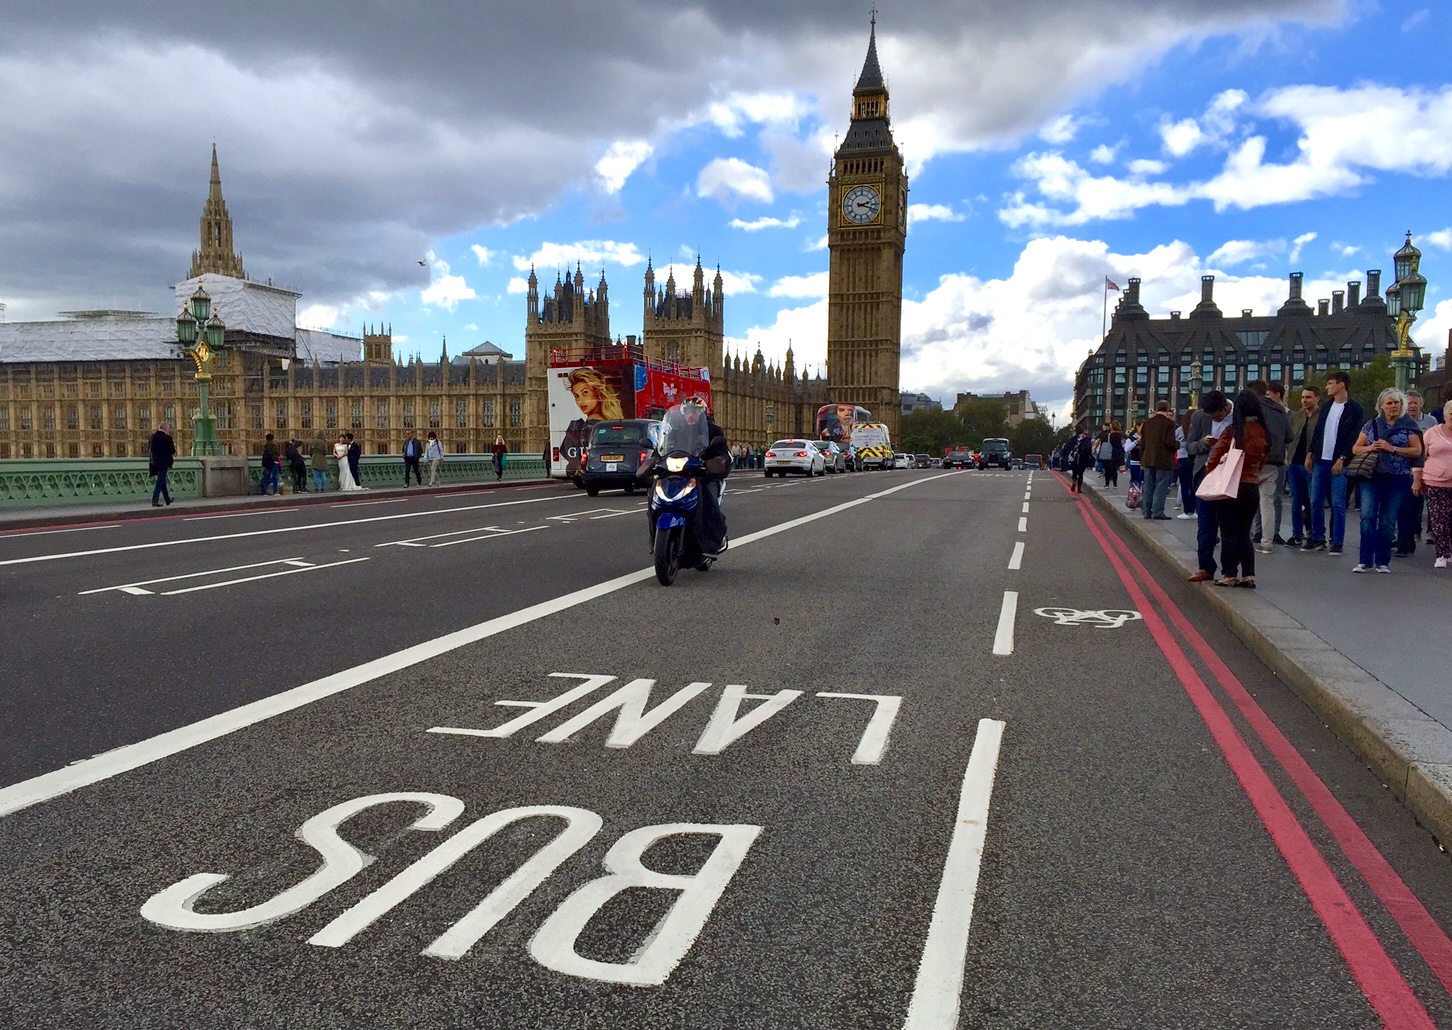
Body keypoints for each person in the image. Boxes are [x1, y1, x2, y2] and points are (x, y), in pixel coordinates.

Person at [1350, 388, 1423, 573]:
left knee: (1387, 521)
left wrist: (1393, 449)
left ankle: (1382, 561)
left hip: (1397, 477)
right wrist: (1370, 448)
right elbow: (1356, 448)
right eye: (1389, 403)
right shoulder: (1371, 424)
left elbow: (1417, 450)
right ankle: (1364, 560)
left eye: (1396, 403)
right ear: (1381, 405)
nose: (1393, 406)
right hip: (1372, 476)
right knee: (1367, 516)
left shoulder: (1409, 425)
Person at [1206, 390, 1269, 588]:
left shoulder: (1233, 431)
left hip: (1231, 487)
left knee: (1228, 532)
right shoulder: (1262, 432)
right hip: (1251, 487)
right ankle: (1249, 574)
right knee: (1244, 533)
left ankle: (1229, 573)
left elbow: (1213, 460)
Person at [1304, 370, 1363, 555]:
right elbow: (1318, 432)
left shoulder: (1355, 409)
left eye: (1330, 383)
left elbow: (1353, 437)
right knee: (1315, 501)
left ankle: (1337, 541)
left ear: (1341, 384)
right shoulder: (1326, 408)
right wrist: (1311, 452)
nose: (1327, 387)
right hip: (1321, 459)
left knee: (1338, 503)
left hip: (1339, 461)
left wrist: (1343, 458)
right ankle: (1317, 537)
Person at [1186, 390, 1232, 582]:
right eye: (1211, 417)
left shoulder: (1239, 416)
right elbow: (1189, 446)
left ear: (1226, 407)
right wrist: (1203, 443)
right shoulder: (1198, 417)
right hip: (1205, 474)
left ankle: (1229, 572)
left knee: (1229, 526)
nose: (1214, 419)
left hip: (1230, 474)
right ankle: (1205, 567)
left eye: (1218, 416)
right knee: (1205, 525)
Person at [1249, 380, 1291, 554]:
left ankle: (1243, 535)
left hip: (1255, 458)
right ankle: (1267, 541)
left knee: (1245, 499)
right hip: (1275, 460)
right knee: (1268, 501)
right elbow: (1289, 436)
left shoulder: (1253, 408)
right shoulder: (1281, 410)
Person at [1397, 389, 1438, 556]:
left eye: (1415, 402)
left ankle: (1416, 532)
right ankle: (1404, 538)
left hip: (1424, 467)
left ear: (1421, 404)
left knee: (1417, 502)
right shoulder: (1400, 420)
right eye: (1409, 403)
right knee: (1402, 505)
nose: (1412, 406)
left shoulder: (1431, 421)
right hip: (1402, 467)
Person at [1412, 404, 1452, 569]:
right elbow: (1420, 458)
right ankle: (1441, 554)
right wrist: (1417, 479)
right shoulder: (1432, 433)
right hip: (1434, 481)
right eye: (1451, 413)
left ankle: (1448, 550)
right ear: (1445, 415)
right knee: (1438, 519)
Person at [1286, 385, 1320, 546]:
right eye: (1303, 397)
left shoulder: (1321, 417)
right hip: (1294, 462)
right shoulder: (1296, 416)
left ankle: (1313, 533)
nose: (1305, 400)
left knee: (1313, 500)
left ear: (1317, 398)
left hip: (1312, 464)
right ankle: (1297, 533)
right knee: (1296, 500)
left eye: (1308, 397)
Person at [1138, 400, 1178, 520]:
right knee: (1161, 486)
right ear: (1167, 409)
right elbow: (1169, 442)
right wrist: (1178, 444)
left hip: (1147, 459)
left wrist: (1142, 459)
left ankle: (1146, 511)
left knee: (1148, 486)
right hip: (1163, 460)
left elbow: (1142, 443)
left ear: (1156, 409)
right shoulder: (1170, 424)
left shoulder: (1147, 423)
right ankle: (1157, 512)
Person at [148, 422, 175, 507]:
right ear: (165, 429)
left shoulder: (152, 437)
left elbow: (150, 449)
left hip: (155, 462)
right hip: (164, 462)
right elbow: (172, 451)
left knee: (162, 480)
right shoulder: (167, 438)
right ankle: (154, 500)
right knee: (160, 482)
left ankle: (167, 500)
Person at [1175, 413, 1196, 519]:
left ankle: (1186, 511)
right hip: (1194, 458)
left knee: (1184, 485)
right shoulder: (1196, 428)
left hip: (1182, 458)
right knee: (1193, 485)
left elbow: (1176, 443)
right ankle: (1193, 510)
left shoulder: (1179, 430)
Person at [1069, 428, 1094, 493]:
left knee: (1074, 472)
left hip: (1075, 457)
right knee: (1081, 473)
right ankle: (1079, 488)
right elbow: (1089, 450)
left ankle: (1074, 481)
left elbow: (1069, 448)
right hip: (1083, 458)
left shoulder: (1074, 439)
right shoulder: (1086, 438)